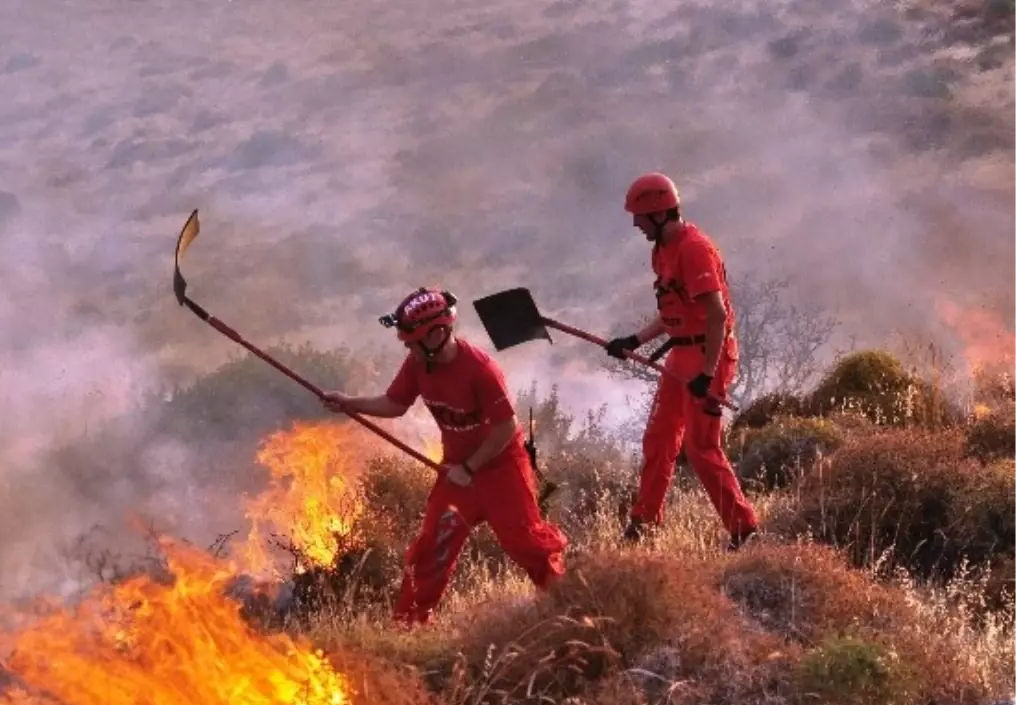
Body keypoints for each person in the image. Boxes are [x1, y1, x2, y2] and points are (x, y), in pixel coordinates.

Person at [321, 287, 568, 626]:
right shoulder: (419, 364)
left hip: (501, 471)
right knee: (430, 552)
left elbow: (505, 428)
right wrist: (350, 403)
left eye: (412, 341)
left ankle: (570, 608)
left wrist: (470, 467)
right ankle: (408, 626)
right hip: (457, 476)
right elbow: (395, 403)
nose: (408, 349)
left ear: (437, 334)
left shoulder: (482, 370)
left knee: (527, 544)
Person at [604, 172, 760, 551]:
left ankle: (744, 530)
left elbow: (718, 317)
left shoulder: (694, 249)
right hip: (680, 353)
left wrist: (707, 375)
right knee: (658, 439)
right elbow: (673, 312)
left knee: (701, 447)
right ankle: (644, 522)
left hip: (710, 353)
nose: (636, 225)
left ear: (659, 213)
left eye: (640, 217)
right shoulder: (660, 250)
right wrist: (634, 341)